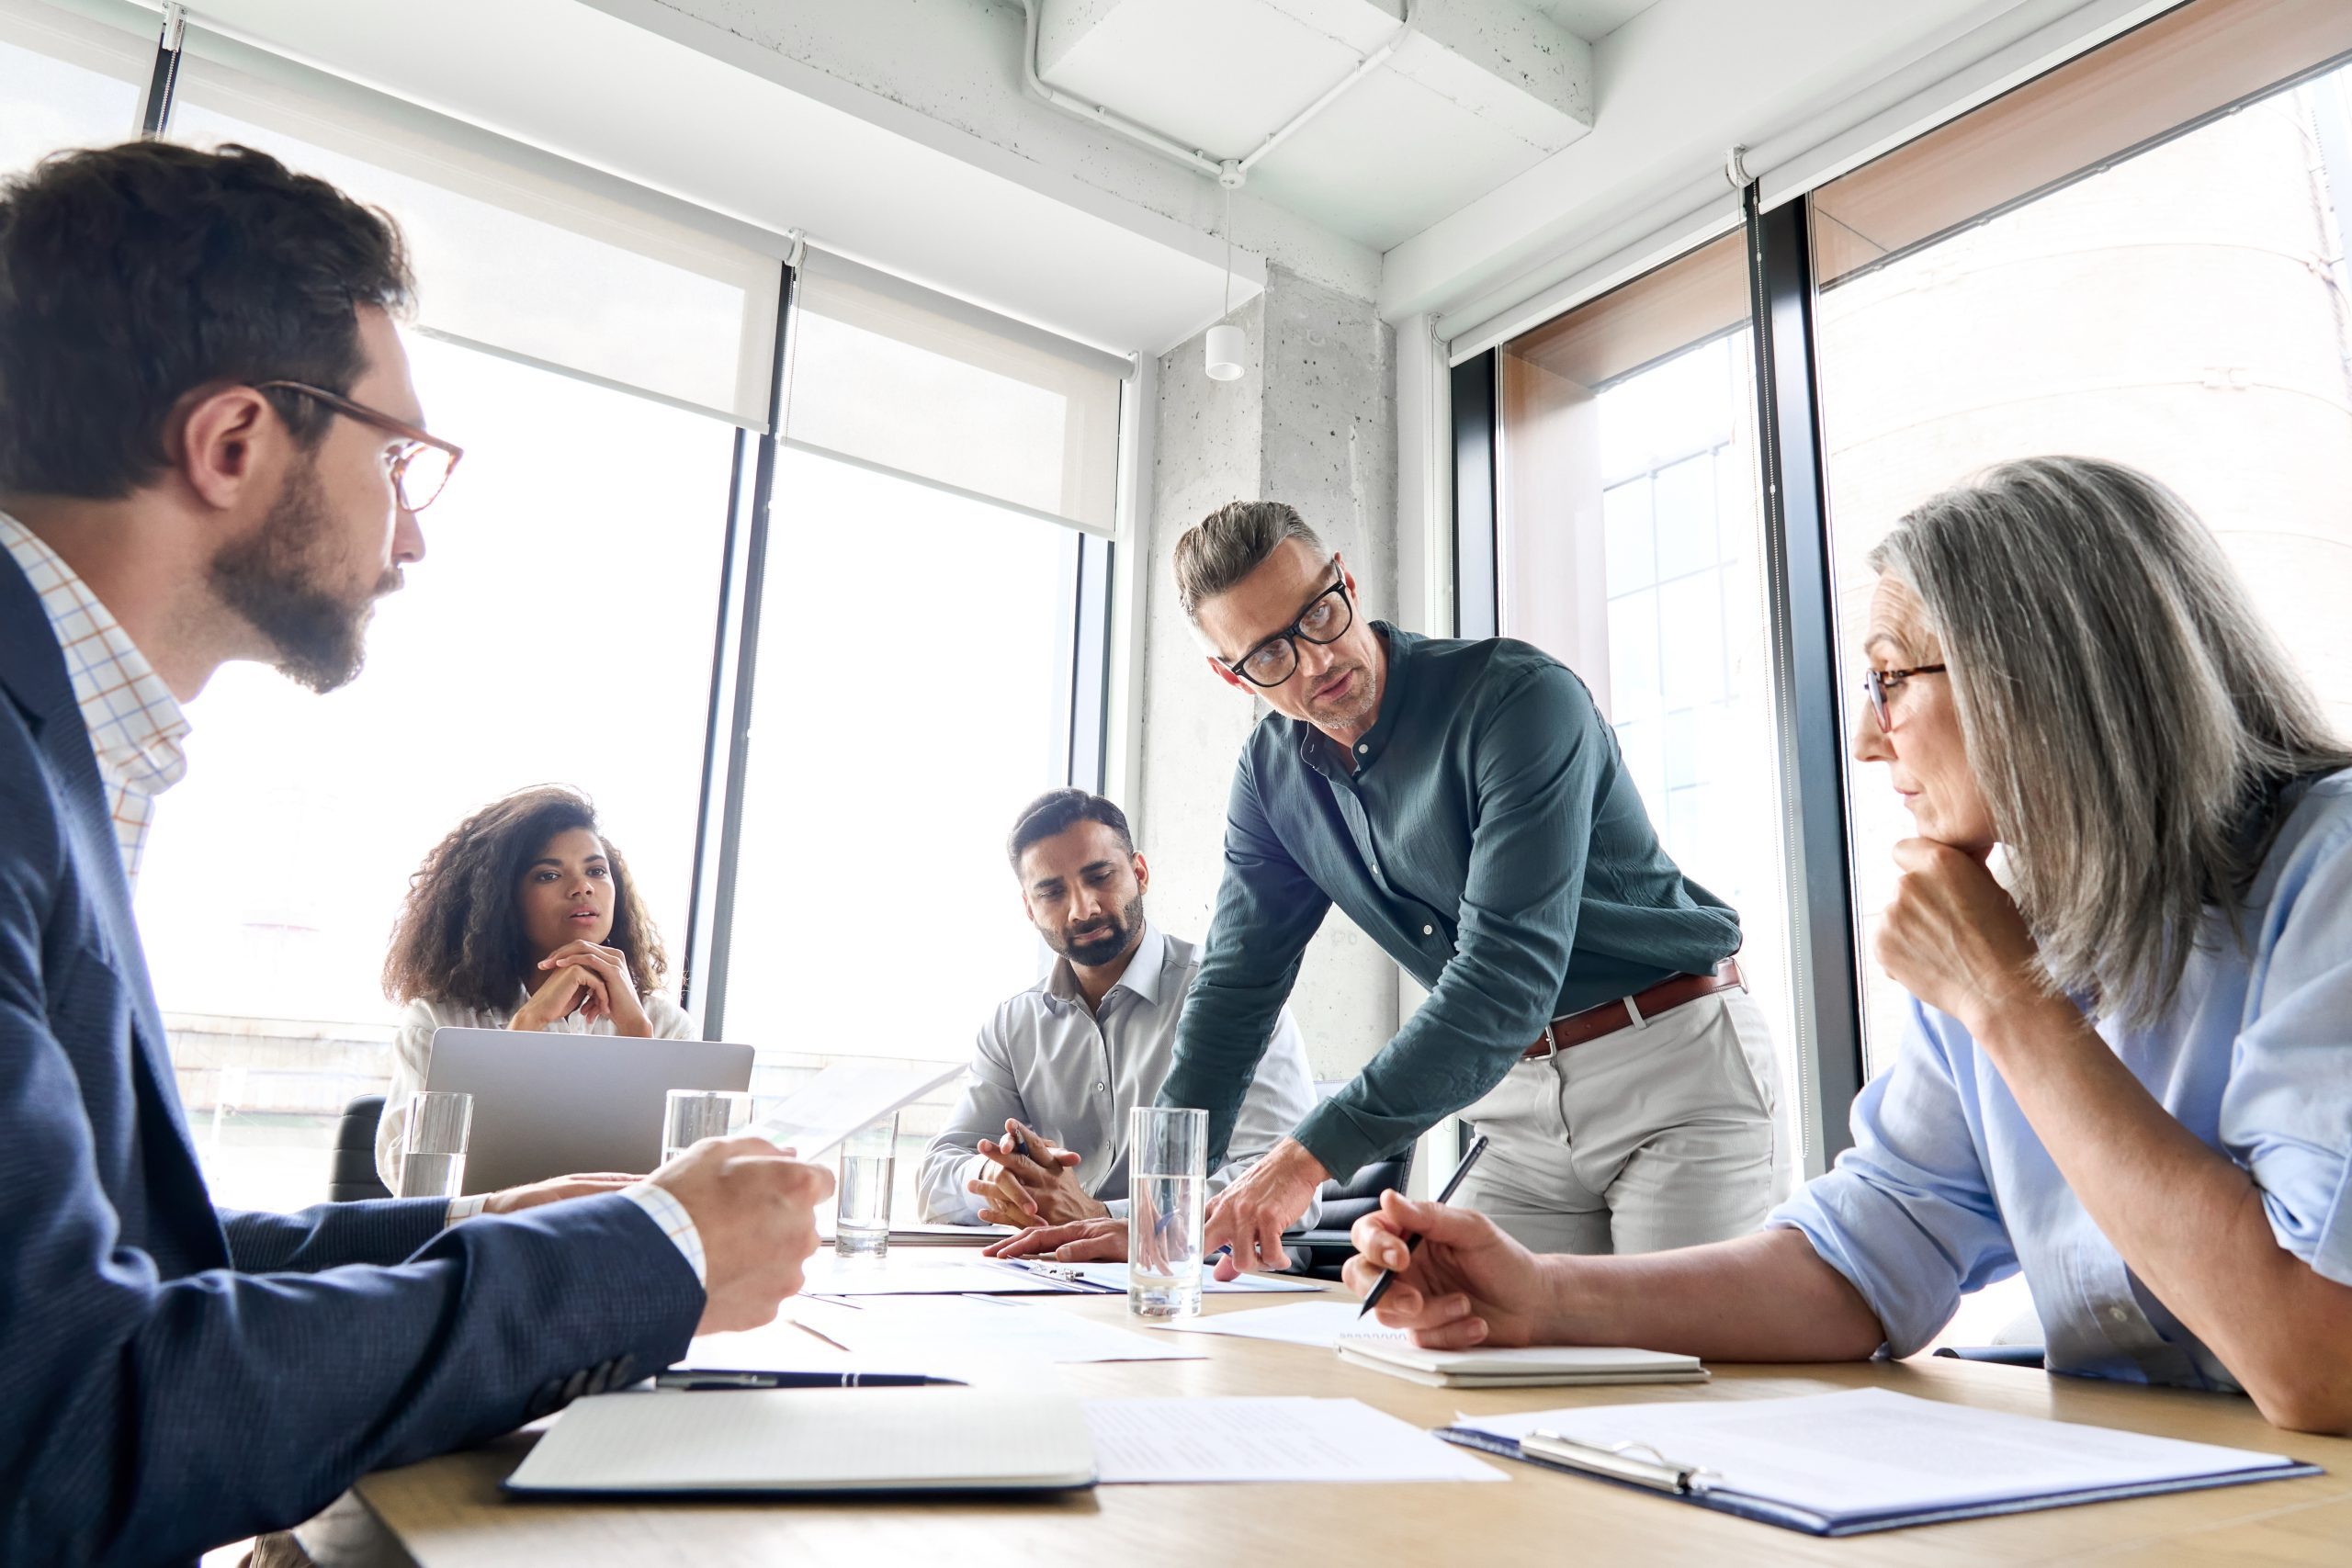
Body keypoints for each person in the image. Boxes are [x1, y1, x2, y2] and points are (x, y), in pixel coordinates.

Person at [0, 141, 830, 1566]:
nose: (414, 536)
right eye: (397, 459)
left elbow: (128, 1273)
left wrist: (470, 1220)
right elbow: (65, 1418)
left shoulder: (64, 750)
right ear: (236, 442)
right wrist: (656, 1256)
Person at [1346, 457, 2352, 1436]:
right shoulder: (2000, 924)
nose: (1869, 743)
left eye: (1888, 682)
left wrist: (2006, 1004)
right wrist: (1540, 1296)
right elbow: (1867, 1256)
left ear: (2042, 680)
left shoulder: (2327, 872)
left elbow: (2320, 1361)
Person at [1127, 501, 1781, 1273]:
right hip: (1514, 1110)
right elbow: (1236, 990)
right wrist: (1157, 1206)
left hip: (1672, 1073)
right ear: (1229, 675)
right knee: (1448, 1353)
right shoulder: (1270, 779)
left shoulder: (1519, 699)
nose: (1315, 663)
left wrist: (1306, 1159)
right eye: (1268, 656)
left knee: (1683, 1376)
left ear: (1348, 583)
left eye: (1320, 616)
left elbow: (1503, 979)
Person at [917, 789, 1317, 1247]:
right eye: (1051, 891)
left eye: (1100, 876)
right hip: (1059, 1279)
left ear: (1140, 873)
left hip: (1203, 1282)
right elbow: (935, 1177)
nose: (1082, 909)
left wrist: (1104, 1216)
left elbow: (1282, 1182)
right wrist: (997, 1176)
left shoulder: (1237, 996)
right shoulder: (1013, 1025)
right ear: (1029, 908)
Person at [375, 785, 699, 1189]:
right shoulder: (439, 1022)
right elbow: (414, 1180)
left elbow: (693, 1188)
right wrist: (526, 1027)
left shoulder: (662, 1024)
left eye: (596, 871)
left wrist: (638, 1042)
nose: (582, 887)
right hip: (489, 1240)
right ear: (501, 900)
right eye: (549, 875)